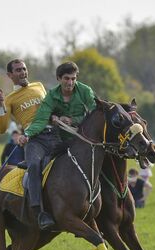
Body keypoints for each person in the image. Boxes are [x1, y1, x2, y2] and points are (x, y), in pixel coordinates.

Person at [21, 61, 96, 229]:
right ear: (58, 79)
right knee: (41, 166)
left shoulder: (85, 91)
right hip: (60, 141)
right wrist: (26, 134)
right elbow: (40, 120)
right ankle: (40, 210)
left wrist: (73, 120)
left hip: (81, 140)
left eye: (73, 79)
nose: (70, 83)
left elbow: (94, 113)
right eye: (66, 79)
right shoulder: (51, 96)